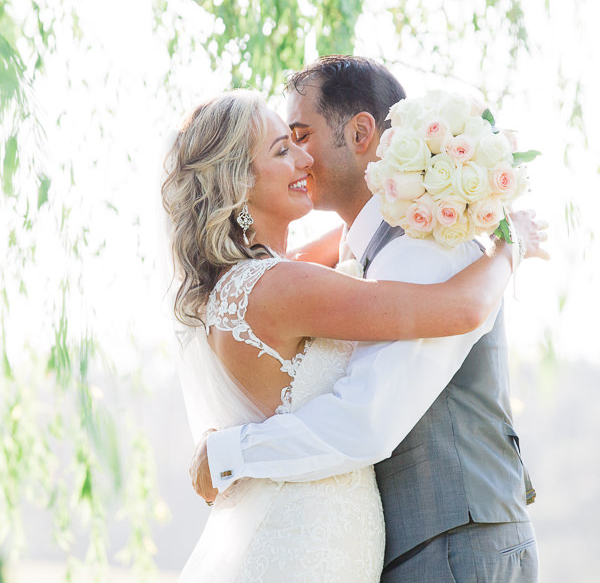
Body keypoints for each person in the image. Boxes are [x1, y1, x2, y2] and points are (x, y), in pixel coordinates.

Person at [163, 75, 546, 580]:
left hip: (342, 537)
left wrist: (412, 191)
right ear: (238, 181)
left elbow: (348, 246)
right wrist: (511, 241)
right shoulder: (281, 286)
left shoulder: (237, 286)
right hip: (312, 538)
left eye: (302, 137)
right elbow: (461, 310)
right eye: (285, 148)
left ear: (362, 133)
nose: (303, 159)